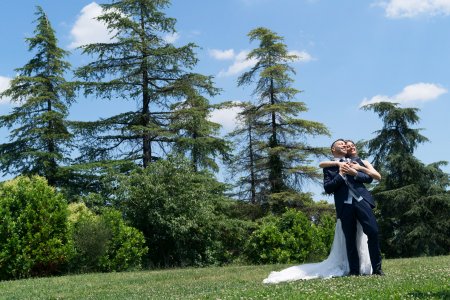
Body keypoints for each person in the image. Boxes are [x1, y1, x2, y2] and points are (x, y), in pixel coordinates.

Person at [263, 139, 383, 284]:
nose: (345, 146)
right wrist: (340, 174)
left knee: (373, 231)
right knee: (349, 239)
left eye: (346, 144)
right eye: (341, 144)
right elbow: (328, 188)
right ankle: (354, 271)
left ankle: (377, 270)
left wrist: (355, 172)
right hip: (344, 206)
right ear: (333, 150)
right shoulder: (329, 167)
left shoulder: (356, 161)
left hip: (362, 200)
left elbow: (368, 179)